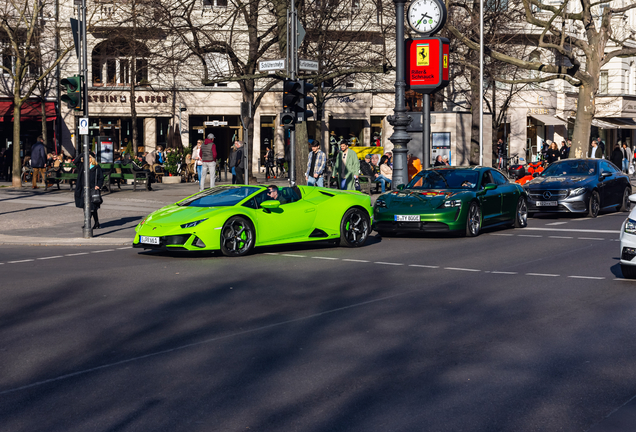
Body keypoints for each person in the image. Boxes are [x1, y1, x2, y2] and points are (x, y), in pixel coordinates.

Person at [73, 152, 104, 229]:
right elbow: (75, 161)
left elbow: (101, 178)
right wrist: (83, 153)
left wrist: (98, 186)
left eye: (89, 157)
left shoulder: (96, 167)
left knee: (92, 207)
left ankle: (90, 223)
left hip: (92, 189)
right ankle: (94, 223)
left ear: (92, 158)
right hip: (83, 189)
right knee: (86, 207)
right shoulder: (83, 166)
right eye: (86, 157)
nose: (87, 159)